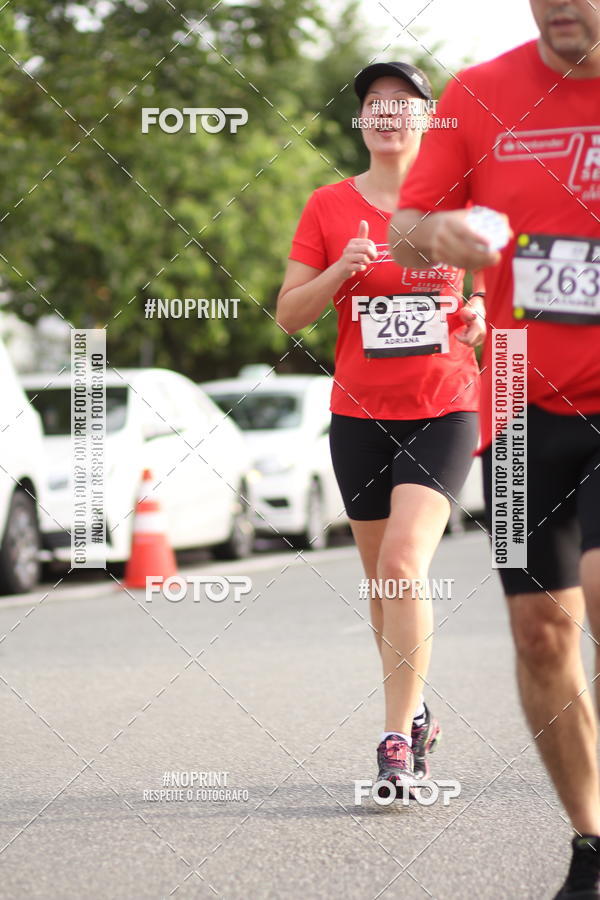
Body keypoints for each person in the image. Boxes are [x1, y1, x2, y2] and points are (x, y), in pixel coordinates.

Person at [390, 2, 600, 895]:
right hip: (515, 394)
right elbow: (405, 227)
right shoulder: (478, 95)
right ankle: (592, 842)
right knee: (539, 629)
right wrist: (443, 233)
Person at [276, 61, 486, 791]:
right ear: (359, 121)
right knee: (381, 583)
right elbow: (290, 314)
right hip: (358, 416)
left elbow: (504, 291)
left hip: (445, 406)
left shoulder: (462, 201)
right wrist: (340, 272)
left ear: (429, 118)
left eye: (404, 103)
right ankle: (418, 708)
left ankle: (395, 737)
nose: (388, 114)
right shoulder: (328, 205)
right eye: (374, 103)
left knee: (401, 563)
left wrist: (487, 313)